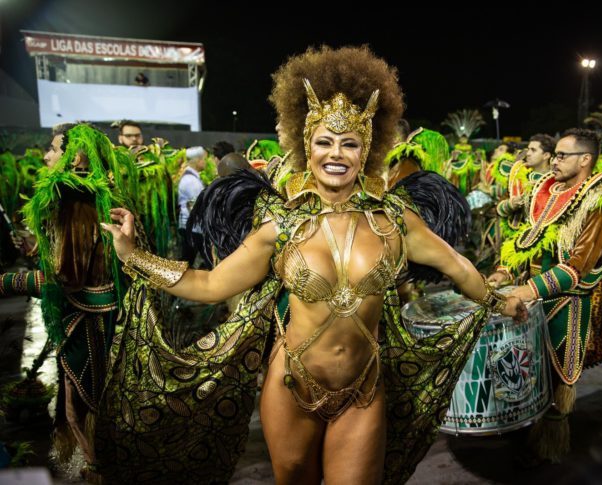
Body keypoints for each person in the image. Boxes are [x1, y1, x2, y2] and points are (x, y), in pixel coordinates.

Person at [96, 45, 525, 485]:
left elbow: (457, 266)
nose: (335, 153)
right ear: (307, 146)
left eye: (349, 143)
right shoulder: (279, 226)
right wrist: (134, 256)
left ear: (367, 150)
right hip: (291, 388)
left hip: (363, 390)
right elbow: (210, 285)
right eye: (324, 141)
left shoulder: (395, 220)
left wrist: (498, 301)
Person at [488, 128, 602, 465]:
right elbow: (525, 239)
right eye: (554, 154)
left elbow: (578, 267)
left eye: (561, 155)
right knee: (524, 369)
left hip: (567, 302)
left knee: (559, 376)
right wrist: (504, 270)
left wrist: (527, 290)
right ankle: (521, 423)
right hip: (530, 298)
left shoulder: (598, 203)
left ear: (585, 160)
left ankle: (549, 444)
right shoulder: (546, 190)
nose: (554, 161)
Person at [1, 123, 143, 481]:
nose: (47, 156)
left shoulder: (73, 200)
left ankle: (97, 471)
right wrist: (39, 248)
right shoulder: (96, 192)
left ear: (75, 156)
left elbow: (68, 276)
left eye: (53, 149)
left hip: (88, 324)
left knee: (80, 407)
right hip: (104, 316)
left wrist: (8, 281)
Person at [177, 146, 207, 265]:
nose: (205, 162)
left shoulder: (191, 177)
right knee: (187, 260)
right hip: (193, 227)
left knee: (188, 259)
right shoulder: (191, 180)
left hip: (192, 226)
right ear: (198, 160)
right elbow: (196, 205)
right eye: (204, 159)